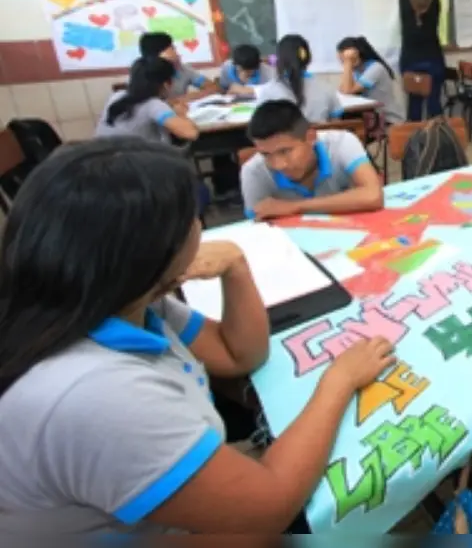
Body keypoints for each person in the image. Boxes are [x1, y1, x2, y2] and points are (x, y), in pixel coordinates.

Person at [0, 136, 397, 533]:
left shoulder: (117, 300)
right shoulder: (95, 394)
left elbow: (240, 356)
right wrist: (338, 381)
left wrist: (237, 267)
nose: (201, 225)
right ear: (149, 252)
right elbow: (268, 507)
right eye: (192, 217)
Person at [241, 100, 383, 220]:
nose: (278, 165)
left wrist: (295, 206)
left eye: (285, 151)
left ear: (311, 137)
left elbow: (373, 195)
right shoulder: (253, 171)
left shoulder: (342, 142)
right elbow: (257, 228)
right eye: (266, 155)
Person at [95, 56, 199, 143]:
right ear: (166, 84)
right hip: (133, 163)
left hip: (99, 160)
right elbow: (190, 134)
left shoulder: (116, 96)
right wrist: (181, 114)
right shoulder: (153, 104)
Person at [255, 35, 343, 124]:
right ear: (308, 58)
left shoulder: (268, 91)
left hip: (285, 137)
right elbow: (335, 123)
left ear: (279, 59)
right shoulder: (325, 87)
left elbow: (261, 126)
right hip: (319, 137)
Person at [399, 0, 446, 121]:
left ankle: (414, 136)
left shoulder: (406, 13)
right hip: (434, 65)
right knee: (434, 103)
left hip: (410, 66)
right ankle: (439, 136)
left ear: (411, 0)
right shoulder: (433, 13)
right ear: (430, 0)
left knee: (414, 104)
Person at [337, 36, 405, 125]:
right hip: (371, 117)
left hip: (387, 120)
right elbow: (342, 91)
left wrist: (348, 63)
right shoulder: (357, 70)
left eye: (345, 59)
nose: (344, 63)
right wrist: (348, 66)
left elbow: (348, 90)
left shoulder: (375, 68)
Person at [139, 32, 219, 101]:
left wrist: (183, 99)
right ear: (160, 54)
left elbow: (213, 87)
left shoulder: (181, 69)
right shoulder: (142, 75)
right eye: (172, 49)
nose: (177, 53)